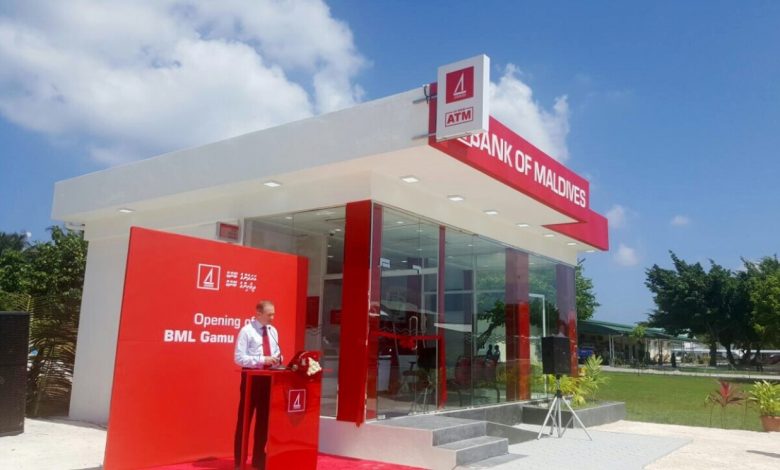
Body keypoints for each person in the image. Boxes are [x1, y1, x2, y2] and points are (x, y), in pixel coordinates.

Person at [233, 300, 282, 470]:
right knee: (245, 420)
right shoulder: (246, 331)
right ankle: (239, 461)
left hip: (268, 378)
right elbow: (239, 358)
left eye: (273, 314)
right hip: (251, 378)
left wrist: (277, 360)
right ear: (258, 313)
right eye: (269, 314)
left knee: (264, 421)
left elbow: (276, 353)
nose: (272, 318)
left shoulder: (273, 331)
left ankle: (259, 460)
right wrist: (262, 360)